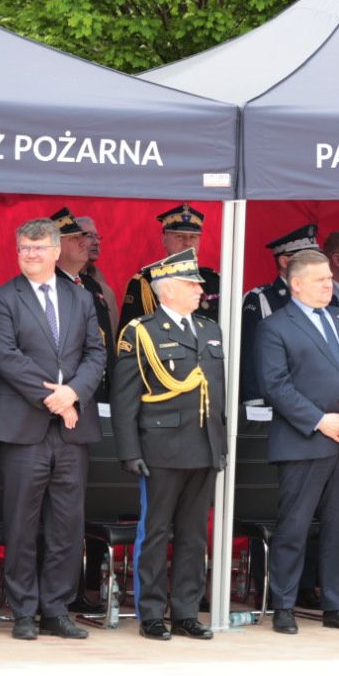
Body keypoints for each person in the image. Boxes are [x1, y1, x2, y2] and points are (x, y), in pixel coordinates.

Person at [0, 218, 105, 641]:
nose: (30, 255)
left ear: (56, 251)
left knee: (67, 524)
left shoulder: (81, 297)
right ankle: (23, 609)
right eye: (24, 248)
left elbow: (96, 353)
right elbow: (5, 356)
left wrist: (74, 393)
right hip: (22, 426)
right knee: (22, 521)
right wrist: (53, 398)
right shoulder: (2, 298)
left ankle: (56, 608)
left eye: (38, 248)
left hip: (73, 428)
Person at [256, 249, 339, 635]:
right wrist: (321, 421)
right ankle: (284, 605)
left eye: (329, 278)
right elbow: (275, 385)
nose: (330, 285)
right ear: (296, 284)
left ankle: (336, 605)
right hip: (304, 441)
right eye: (320, 279)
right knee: (294, 528)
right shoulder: (276, 326)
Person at [111, 250, 225, 641]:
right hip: (161, 447)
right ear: (169, 289)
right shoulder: (141, 332)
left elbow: (217, 392)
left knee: (194, 534)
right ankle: (151, 613)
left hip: (204, 445)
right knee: (156, 531)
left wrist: (220, 444)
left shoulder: (209, 329)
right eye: (192, 284)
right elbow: (125, 397)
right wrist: (129, 451)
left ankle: (186, 612)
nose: (200, 290)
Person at [239, 224, 318, 403]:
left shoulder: (327, 297)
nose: (317, 265)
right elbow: (251, 358)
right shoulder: (261, 299)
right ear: (284, 262)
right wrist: (255, 405)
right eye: (309, 259)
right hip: (279, 403)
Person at [118, 204, 221, 333]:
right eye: (180, 236)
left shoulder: (214, 282)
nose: (188, 243)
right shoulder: (146, 283)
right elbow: (129, 337)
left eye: (193, 237)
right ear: (164, 240)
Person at [52, 207, 114, 399]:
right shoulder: (49, 288)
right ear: (56, 247)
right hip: (68, 393)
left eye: (82, 237)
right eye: (74, 238)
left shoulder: (92, 286)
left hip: (100, 391)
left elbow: (106, 343)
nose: (83, 243)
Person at [77, 215, 121, 318]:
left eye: (97, 237)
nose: (97, 242)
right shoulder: (54, 284)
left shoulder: (105, 290)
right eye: (89, 236)